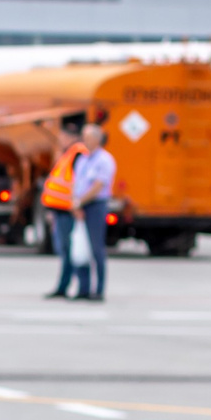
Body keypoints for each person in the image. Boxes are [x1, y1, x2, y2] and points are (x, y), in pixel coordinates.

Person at [44, 119, 89, 300]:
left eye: (63, 135)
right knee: (67, 251)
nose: (61, 138)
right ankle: (65, 286)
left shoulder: (77, 154)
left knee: (72, 251)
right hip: (61, 209)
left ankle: (75, 287)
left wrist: (76, 205)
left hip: (69, 210)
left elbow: (79, 183)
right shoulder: (69, 153)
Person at [70, 122, 115, 302]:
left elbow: (98, 185)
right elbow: (77, 183)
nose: (85, 141)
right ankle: (83, 288)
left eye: (88, 138)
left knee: (96, 249)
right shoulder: (83, 160)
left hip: (96, 205)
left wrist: (80, 201)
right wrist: (75, 204)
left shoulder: (104, 160)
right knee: (81, 249)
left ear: (97, 139)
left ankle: (99, 290)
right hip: (81, 206)